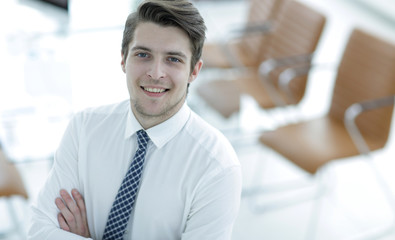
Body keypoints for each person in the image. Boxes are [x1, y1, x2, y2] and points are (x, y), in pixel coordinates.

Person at [27, 0, 242, 239]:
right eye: (143, 54)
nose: (156, 73)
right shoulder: (84, 128)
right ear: (123, 60)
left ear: (194, 70)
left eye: (173, 59)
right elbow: (40, 231)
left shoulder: (216, 166)